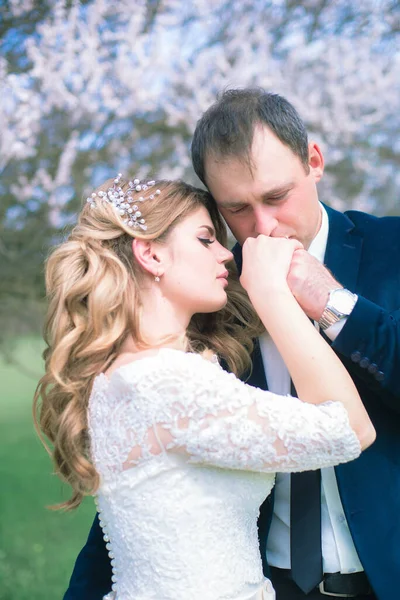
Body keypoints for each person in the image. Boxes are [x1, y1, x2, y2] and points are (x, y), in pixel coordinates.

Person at [34, 174, 375, 600]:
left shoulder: (121, 374)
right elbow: (350, 429)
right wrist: (270, 293)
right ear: (151, 255)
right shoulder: (171, 384)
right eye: (205, 238)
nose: (226, 256)